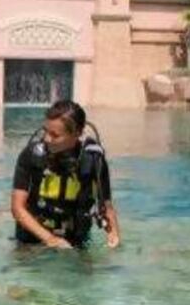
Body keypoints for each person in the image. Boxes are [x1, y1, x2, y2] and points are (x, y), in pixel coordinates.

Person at [10, 100, 121, 249]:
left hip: (76, 241)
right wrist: (50, 239)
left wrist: (114, 235)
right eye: (45, 131)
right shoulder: (31, 154)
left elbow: (106, 207)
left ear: (77, 134)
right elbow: (17, 208)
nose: (46, 139)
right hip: (32, 239)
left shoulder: (93, 159)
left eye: (55, 135)